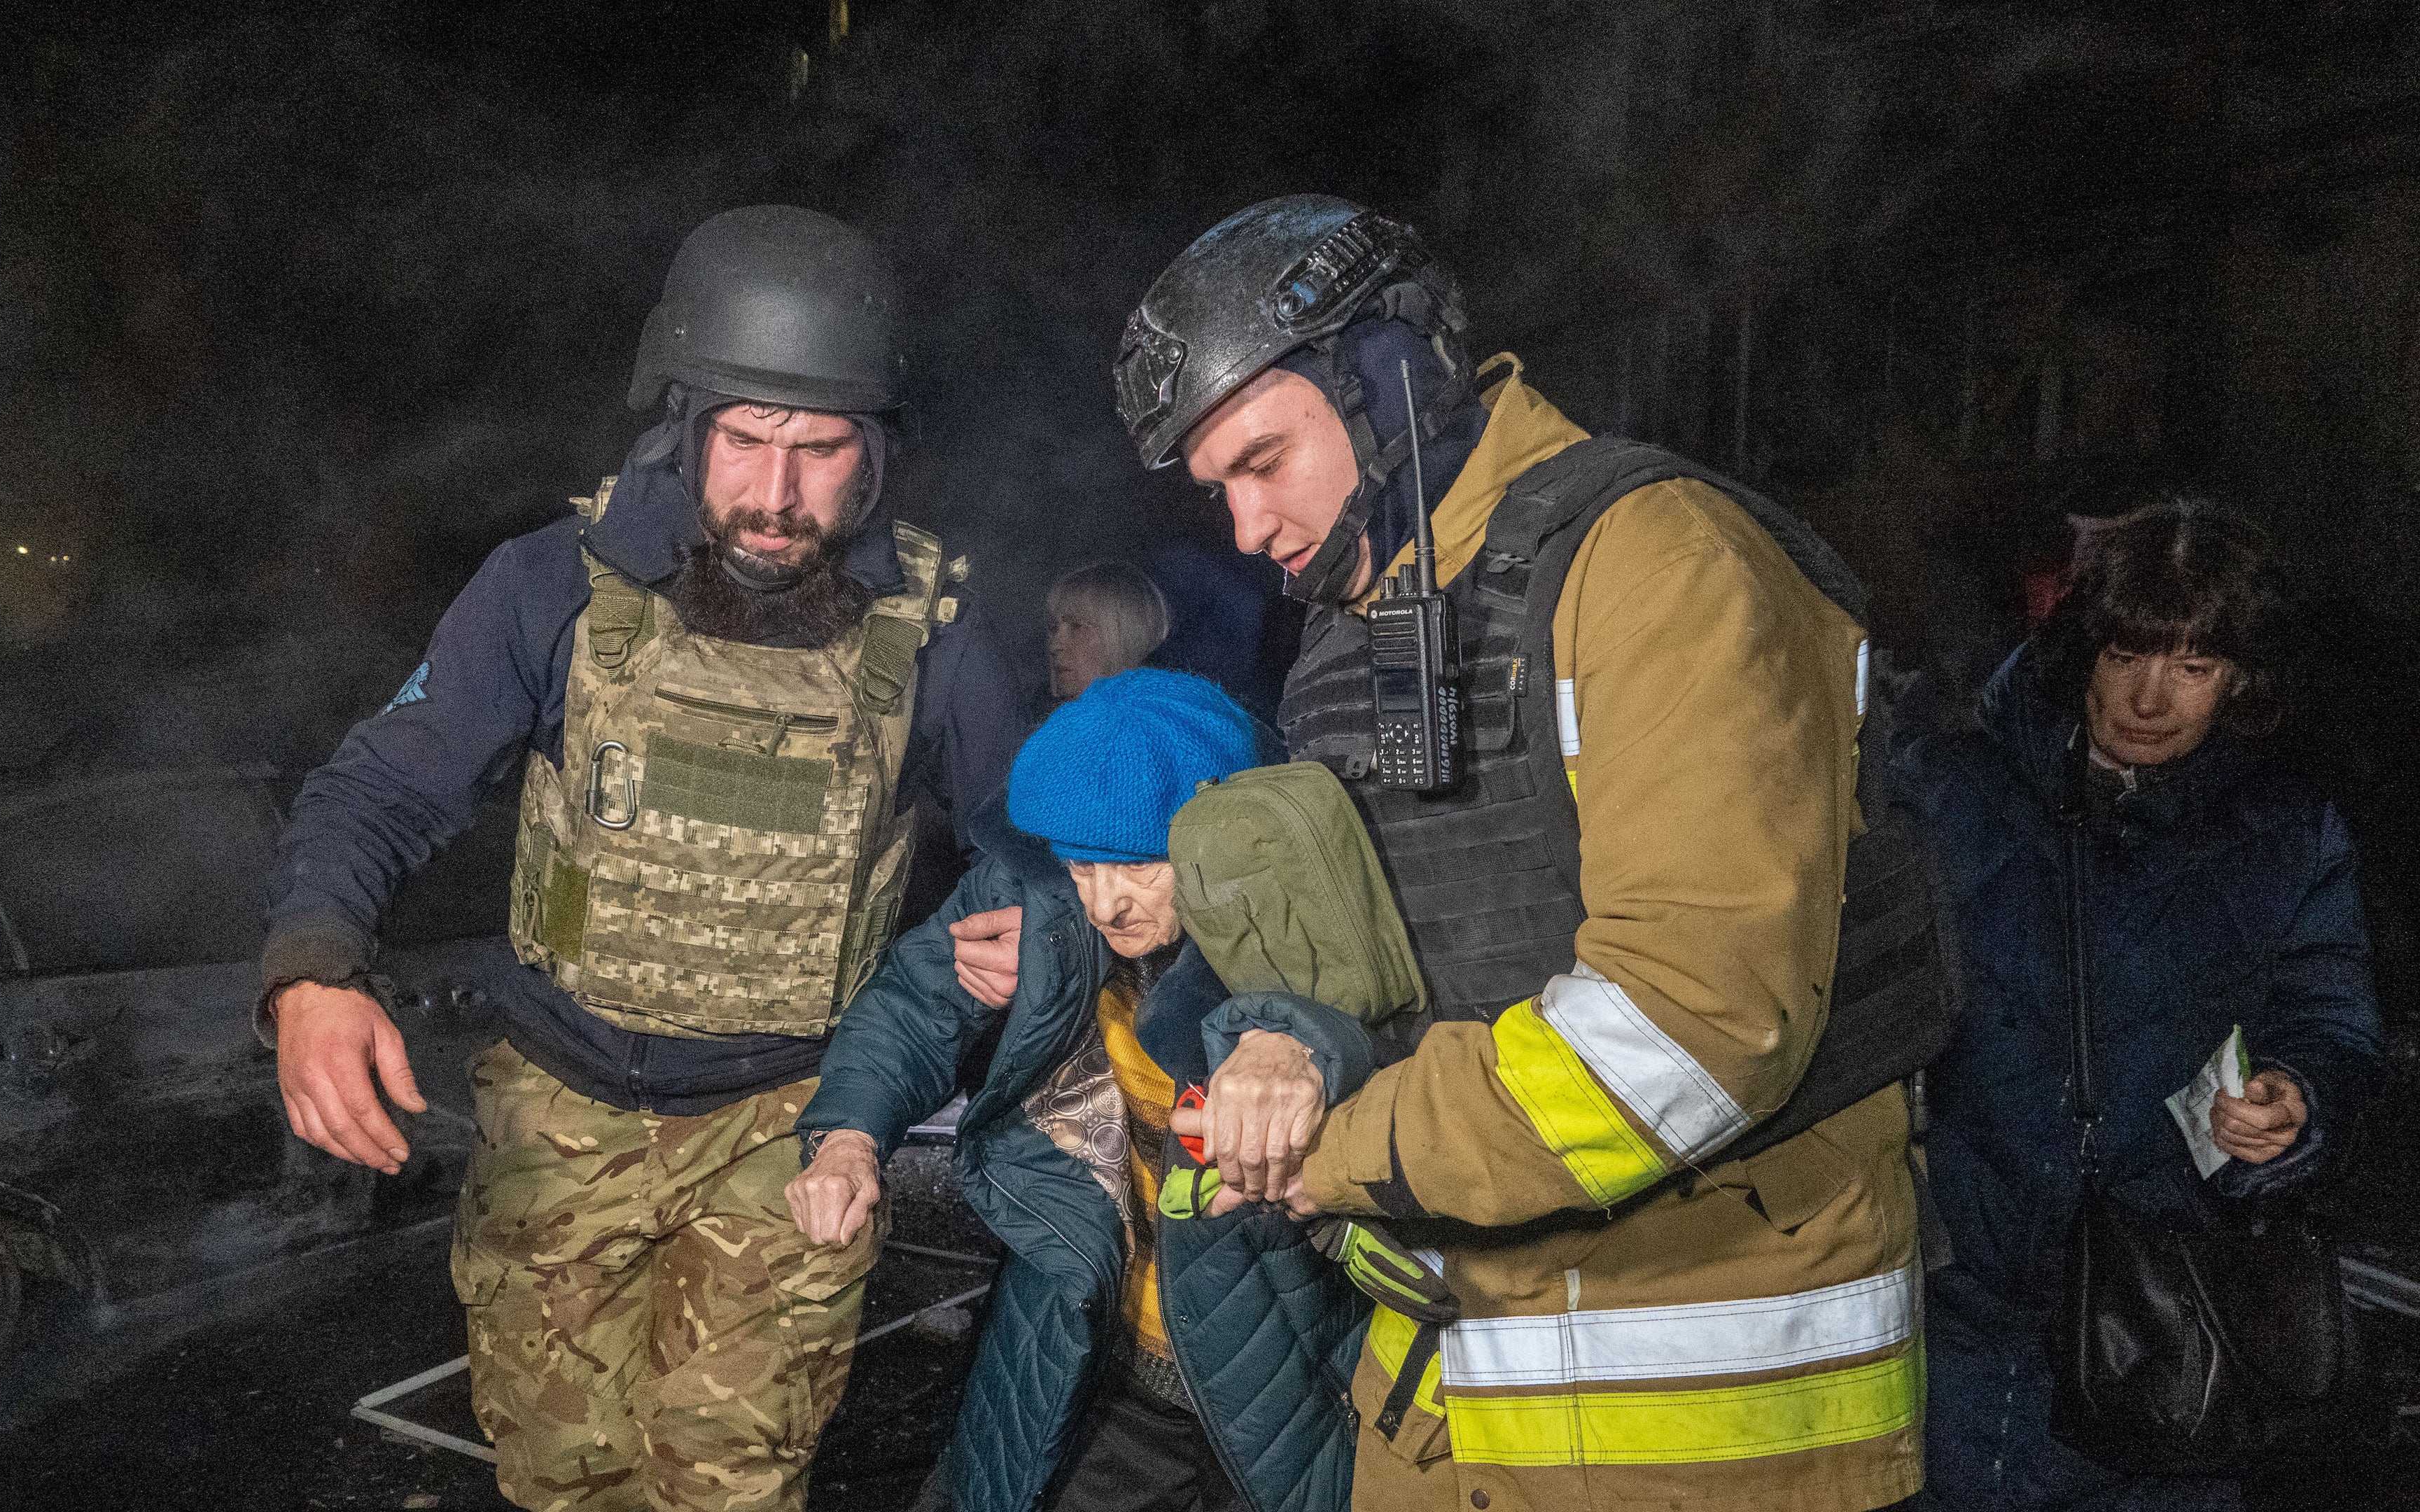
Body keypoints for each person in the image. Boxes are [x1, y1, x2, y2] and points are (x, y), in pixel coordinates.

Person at [960, 192, 1935, 1510]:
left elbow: (1692, 1028)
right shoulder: (1362, 635)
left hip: (1698, 1421)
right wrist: (1276, 1038)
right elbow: (1375, 961)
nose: (1246, 533)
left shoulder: (1657, 568)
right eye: (1216, 494)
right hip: (1447, 1390)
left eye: (1265, 462)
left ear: (1391, 381)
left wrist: (1343, 1150)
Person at [255, 205, 1024, 1512]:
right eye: (745, 442)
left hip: (790, 1127)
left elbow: (1039, 850)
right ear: (686, 427)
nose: (777, 498)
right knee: (562, 1485)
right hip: (558, 1117)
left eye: (820, 451)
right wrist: (315, 971)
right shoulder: (549, 585)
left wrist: (1011, 938)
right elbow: (383, 784)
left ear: (877, 457)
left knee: (725, 1492)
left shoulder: (936, 633)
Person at [788, 669, 1381, 1512]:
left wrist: (1303, 1046)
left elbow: (1399, 1039)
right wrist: (848, 1137)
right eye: (1080, 866)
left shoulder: (1319, 909)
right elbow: (914, 1003)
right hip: (1094, 1355)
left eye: (1140, 863)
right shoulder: (1049, 896)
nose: (1106, 903)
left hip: (1282, 1367)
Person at [1891, 499, 2383, 1511]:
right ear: (2085, 650)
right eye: (2128, 655)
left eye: (2194, 668)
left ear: (2240, 680)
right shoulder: (1946, 790)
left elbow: (2332, 1022)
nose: (2152, 697)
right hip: (1957, 1324)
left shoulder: (2286, 834)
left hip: (2174, 1322)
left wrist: (2297, 1100)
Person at [1047, 559, 1173, 703]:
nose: (1054, 646)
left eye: (1077, 626)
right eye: (1053, 628)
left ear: (1126, 632)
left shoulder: (1155, 717)